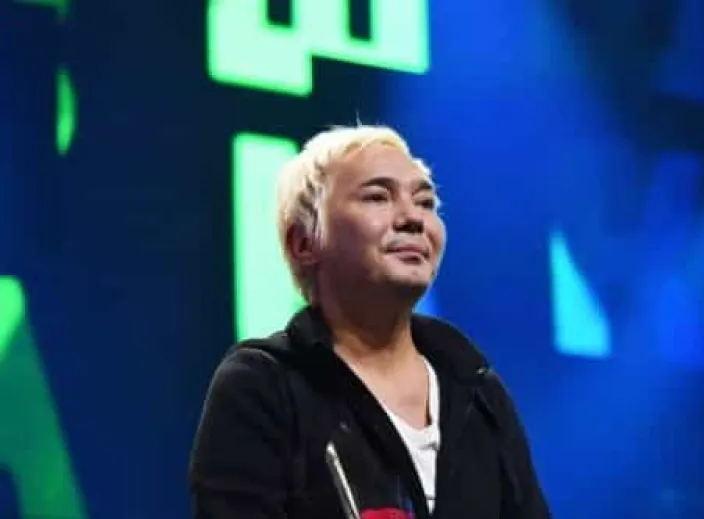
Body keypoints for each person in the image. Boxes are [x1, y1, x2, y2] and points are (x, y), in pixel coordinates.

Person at [189, 125, 551, 519]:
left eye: (426, 202)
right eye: (378, 196)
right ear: (304, 242)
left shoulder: (477, 389)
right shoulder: (264, 386)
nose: (413, 219)